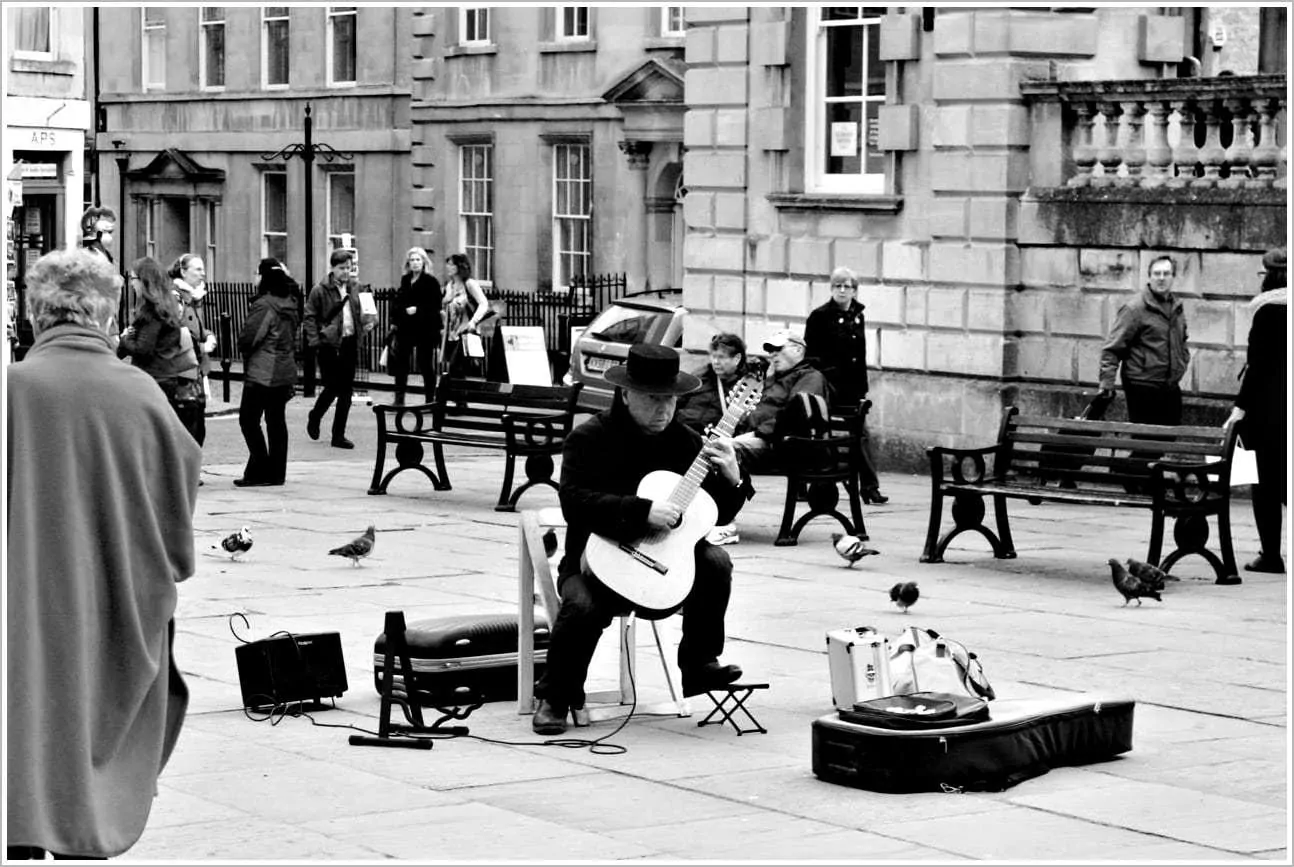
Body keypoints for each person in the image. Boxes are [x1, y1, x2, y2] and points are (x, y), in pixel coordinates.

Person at [7, 248, 200, 860]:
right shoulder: (142, 394)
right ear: (105, 315)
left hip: (21, 610)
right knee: (89, 744)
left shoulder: (11, 390)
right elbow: (177, 536)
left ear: (37, 315)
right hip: (113, 608)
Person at [532, 343, 751, 735]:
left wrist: (734, 477)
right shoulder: (589, 438)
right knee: (581, 606)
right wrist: (640, 511)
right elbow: (574, 503)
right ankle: (556, 697)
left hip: (667, 568)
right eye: (653, 399)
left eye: (670, 400)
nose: (664, 409)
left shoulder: (684, 442)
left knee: (716, 561)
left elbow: (716, 512)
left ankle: (699, 663)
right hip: (597, 562)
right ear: (627, 393)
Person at [804, 266, 888, 504]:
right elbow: (811, 355)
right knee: (817, 434)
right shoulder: (819, 316)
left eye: (847, 286)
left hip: (852, 390)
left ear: (854, 290)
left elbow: (859, 356)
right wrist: (827, 376)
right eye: (837, 286)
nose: (842, 290)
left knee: (861, 435)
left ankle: (870, 487)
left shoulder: (858, 315)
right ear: (831, 289)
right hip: (828, 388)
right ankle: (803, 483)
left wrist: (862, 388)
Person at [1228, 248, 1287, 574]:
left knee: (1263, 484)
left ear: (1269, 275)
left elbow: (1258, 367)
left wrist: (1239, 407)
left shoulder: (1266, 310)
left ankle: (1271, 555)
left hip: (1266, 413)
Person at [676, 332, 753, 546]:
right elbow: (677, 405)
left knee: (723, 464)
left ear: (737, 359)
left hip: (725, 442)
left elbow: (755, 419)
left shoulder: (748, 385)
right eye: (714, 356)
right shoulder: (698, 378)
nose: (716, 362)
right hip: (691, 436)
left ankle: (721, 517)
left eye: (722, 357)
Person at [117, 256, 204, 441]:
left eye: (133, 279)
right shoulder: (165, 306)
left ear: (144, 281)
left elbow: (143, 350)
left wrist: (125, 340)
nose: (131, 284)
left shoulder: (152, 311)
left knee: (149, 436)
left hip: (153, 379)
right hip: (165, 377)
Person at [1098, 255, 1190, 425]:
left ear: (1173, 277)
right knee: (1147, 442)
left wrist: (1182, 361)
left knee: (1169, 436)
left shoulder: (1176, 307)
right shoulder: (1135, 309)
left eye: (1166, 273)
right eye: (1157, 273)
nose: (1161, 278)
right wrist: (1106, 384)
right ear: (1149, 277)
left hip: (1169, 384)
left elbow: (1182, 340)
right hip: (1142, 384)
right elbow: (1112, 348)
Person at [235, 257, 301, 487]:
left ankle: (260, 468)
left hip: (263, 371)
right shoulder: (291, 302)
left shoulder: (265, 304)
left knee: (248, 419)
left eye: (257, 273)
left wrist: (241, 344)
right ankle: (276, 473)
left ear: (263, 277)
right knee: (276, 421)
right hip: (285, 369)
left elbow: (250, 338)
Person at [731, 328, 832, 472]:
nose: (772, 355)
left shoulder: (810, 376)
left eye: (778, 349)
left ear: (797, 350)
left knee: (718, 451)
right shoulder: (778, 377)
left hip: (780, 445)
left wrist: (756, 434)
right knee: (700, 446)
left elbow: (794, 415)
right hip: (758, 440)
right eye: (770, 350)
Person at [304, 248, 375, 449]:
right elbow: (309, 317)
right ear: (332, 268)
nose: (346, 272)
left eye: (349, 268)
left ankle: (338, 435)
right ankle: (315, 415)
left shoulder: (356, 287)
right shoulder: (320, 290)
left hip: (349, 342)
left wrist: (368, 322)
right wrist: (315, 341)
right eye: (342, 268)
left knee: (346, 391)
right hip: (329, 344)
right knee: (333, 386)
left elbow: (365, 311)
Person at [170, 253, 216, 448]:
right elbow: (174, 333)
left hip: (197, 370)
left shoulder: (195, 297)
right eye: (197, 269)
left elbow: (196, 328)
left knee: (199, 424)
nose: (203, 273)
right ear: (183, 271)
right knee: (189, 424)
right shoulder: (176, 297)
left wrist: (208, 335)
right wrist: (201, 347)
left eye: (203, 269)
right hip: (183, 371)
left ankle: (192, 471)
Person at [390, 246, 443, 404]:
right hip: (406, 327)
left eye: (418, 260)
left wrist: (418, 309)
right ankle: (399, 399)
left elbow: (435, 306)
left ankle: (429, 399)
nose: (415, 263)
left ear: (424, 262)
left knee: (425, 364)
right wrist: (396, 319)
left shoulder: (431, 282)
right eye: (412, 260)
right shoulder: (405, 280)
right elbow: (399, 302)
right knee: (401, 364)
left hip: (425, 329)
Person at [441, 252, 490, 380]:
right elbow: (448, 310)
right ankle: (460, 400)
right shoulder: (449, 286)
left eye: (451, 264)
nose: (448, 267)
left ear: (460, 266)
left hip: (466, 332)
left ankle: (453, 399)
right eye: (448, 264)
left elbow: (483, 303)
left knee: (455, 367)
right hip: (452, 334)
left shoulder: (469, 284)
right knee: (457, 372)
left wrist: (473, 321)